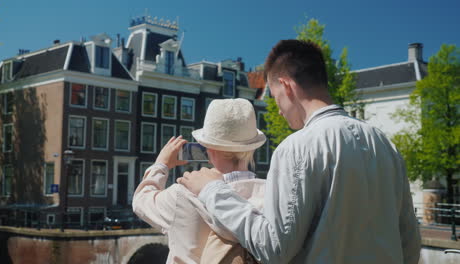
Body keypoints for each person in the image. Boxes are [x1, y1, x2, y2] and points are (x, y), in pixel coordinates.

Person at [178, 39, 421, 263]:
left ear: (286, 86)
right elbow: (409, 243)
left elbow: (274, 247)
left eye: (274, 98)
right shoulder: (385, 144)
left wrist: (212, 191)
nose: (279, 111)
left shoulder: (296, 148)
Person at [132, 98, 267, 264]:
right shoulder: (271, 196)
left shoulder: (183, 194)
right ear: (252, 147)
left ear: (208, 149)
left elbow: (141, 201)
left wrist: (161, 165)